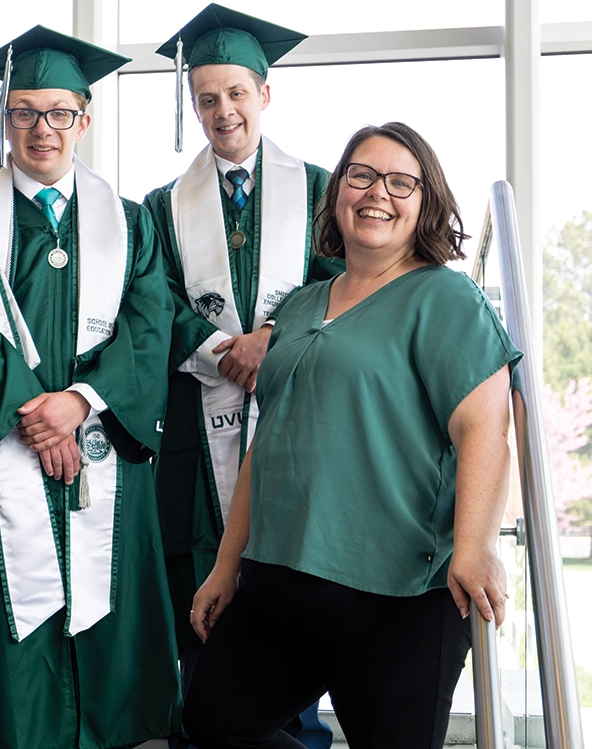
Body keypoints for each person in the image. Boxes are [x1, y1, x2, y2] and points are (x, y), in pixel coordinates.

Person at [184, 122, 521, 749]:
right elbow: (270, 440)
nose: (378, 193)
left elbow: (484, 430)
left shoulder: (444, 297)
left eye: (401, 182)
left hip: (396, 594)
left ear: (425, 201)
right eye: (361, 176)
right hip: (279, 579)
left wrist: (475, 545)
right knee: (212, 725)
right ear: (337, 192)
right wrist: (227, 565)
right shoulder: (302, 305)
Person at [0, 25, 180, 749]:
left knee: (107, 649)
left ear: (85, 120)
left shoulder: (130, 224)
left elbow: (150, 326)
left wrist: (79, 403)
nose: (42, 129)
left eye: (58, 112)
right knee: (6, 668)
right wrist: (36, 418)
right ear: (1, 119)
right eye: (24, 111)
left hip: (102, 464)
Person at [144, 4, 343, 749]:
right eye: (206, 98)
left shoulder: (323, 187)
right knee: (204, 598)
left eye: (235, 93)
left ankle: (298, 731)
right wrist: (225, 349)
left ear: (265, 94)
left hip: (296, 420)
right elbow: (155, 299)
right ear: (192, 106)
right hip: (203, 428)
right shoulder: (164, 208)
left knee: (291, 584)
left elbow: (339, 284)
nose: (221, 110)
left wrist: (270, 340)